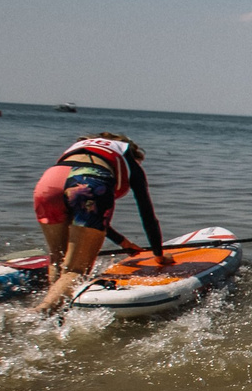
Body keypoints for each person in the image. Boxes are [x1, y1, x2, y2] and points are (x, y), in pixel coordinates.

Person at [33, 132, 166, 313]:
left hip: (49, 181)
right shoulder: (126, 154)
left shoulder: (81, 147)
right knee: (76, 270)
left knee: (58, 258)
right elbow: (147, 213)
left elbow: (86, 216)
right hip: (89, 179)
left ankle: (52, 304)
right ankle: (44, 311)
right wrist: (159, 254)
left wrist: (122, 242)